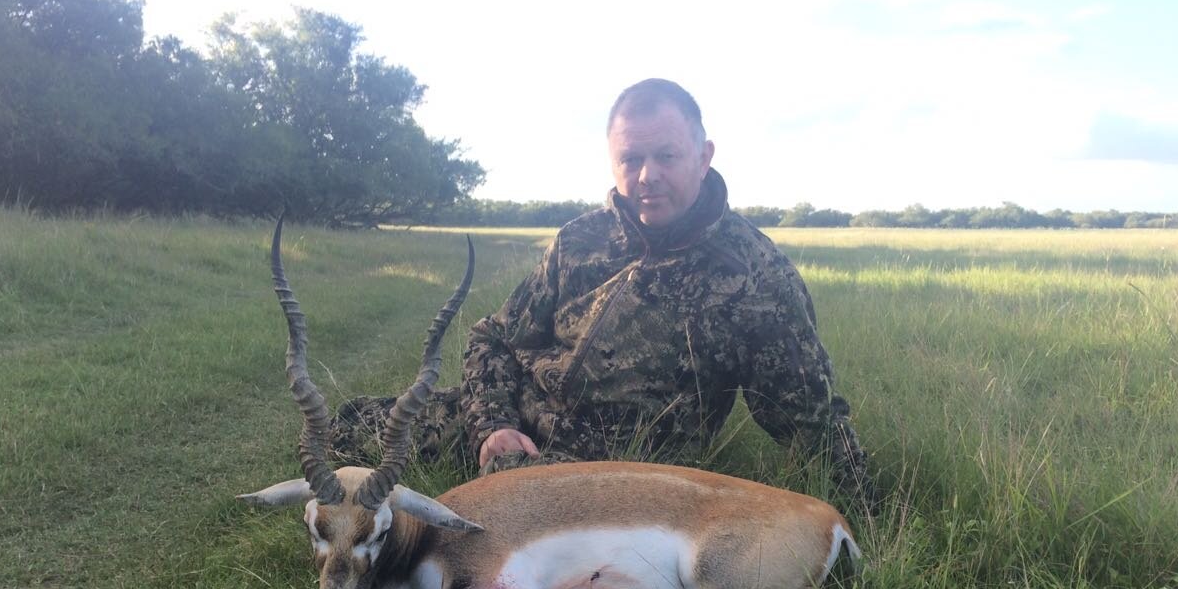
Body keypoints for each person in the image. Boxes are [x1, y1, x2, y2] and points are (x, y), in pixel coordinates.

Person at [333, 78, 875, 508]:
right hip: (510, 427)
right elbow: (493, 339)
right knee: (345, 427)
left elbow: (813, 422)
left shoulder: (754, 275)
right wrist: (492, 425)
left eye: (666, 156)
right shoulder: (578, 241)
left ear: (704, 155)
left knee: (484, 561)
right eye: (631, 160)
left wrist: (872, 517)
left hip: (606, 477)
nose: (647, 176)